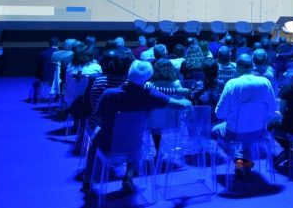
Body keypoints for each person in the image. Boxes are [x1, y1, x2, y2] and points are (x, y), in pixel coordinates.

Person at [83, 60, 191, 193]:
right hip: (135, 147)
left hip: (109, 147)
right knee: (133, 136)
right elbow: (180, 105)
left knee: (95, 134)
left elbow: (98, 121)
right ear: (148, 77)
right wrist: (187, 101)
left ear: (129, 73)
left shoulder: (109, 94)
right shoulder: (150, 94)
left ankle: (88, 178)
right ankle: (129, 175)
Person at [213, 54, 276, 178]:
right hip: (259, 132)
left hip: (235, 132)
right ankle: (245, 161)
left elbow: (219, 114)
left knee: (214, 131)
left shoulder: (232, 84)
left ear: (237, 67)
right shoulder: (265, 82)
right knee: (247, 132)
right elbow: (273, 110)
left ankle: (238, 160)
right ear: (252, 66)